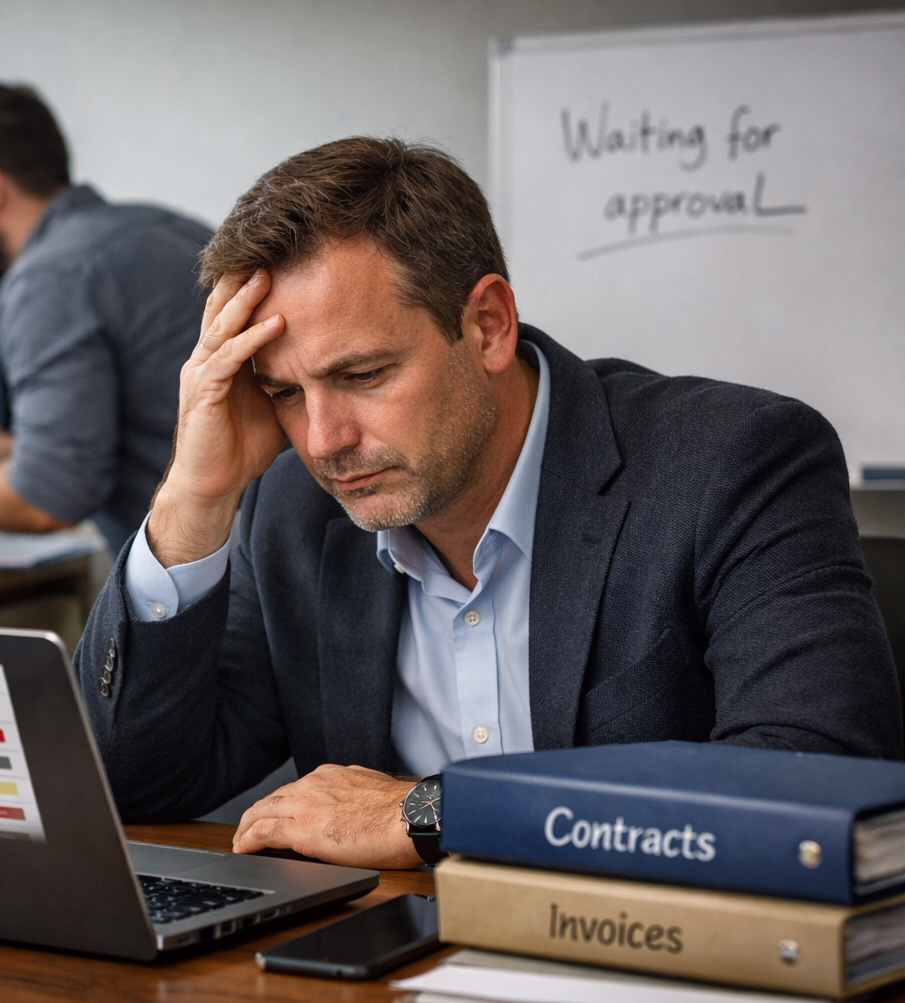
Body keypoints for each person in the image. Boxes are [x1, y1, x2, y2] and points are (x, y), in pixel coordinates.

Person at [72, 136, 902, 871]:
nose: (322, 439)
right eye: (284, 392)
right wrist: (195, 493)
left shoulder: (735, 462)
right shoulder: (291, 510)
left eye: (361, 376)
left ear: (489, 325)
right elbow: (138, 783)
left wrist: (431, 812)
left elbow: (813, 774)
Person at [0, 83, 213, 554]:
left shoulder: (50, 277)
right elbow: (151, 427)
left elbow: (48, 499)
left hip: (220, 589)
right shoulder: (162, 229)